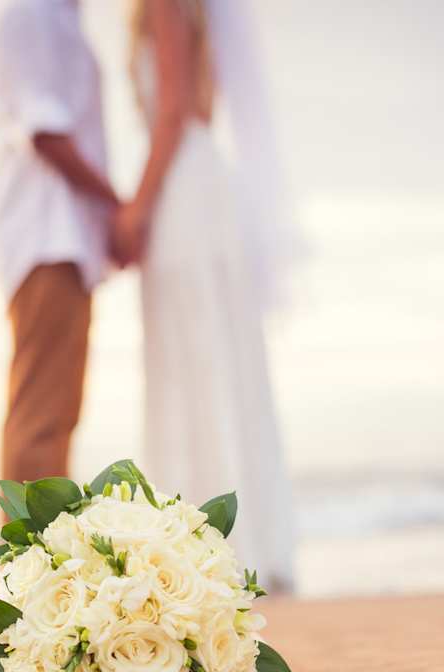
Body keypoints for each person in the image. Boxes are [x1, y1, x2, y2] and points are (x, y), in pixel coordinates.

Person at [110, 0, 300, 590]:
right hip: (202, 184)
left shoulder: (165, 4)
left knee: (190, 361)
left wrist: (136, 208)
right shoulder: (196, 12)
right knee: (212, 358)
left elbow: (173, 110)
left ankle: (204, 552)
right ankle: (240, 544)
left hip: (183, 191)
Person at [0, 0, 120, 487]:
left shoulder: (58, 17)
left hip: (65, 237)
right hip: (46, 234)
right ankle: (26, 561)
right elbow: (44, 131)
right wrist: (117, 208)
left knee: (56, 414)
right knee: (41, 419)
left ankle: (40, 558)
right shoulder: (32, 15)